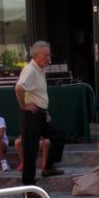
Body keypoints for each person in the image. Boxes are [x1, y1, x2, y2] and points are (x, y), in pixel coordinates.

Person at [14, 40, 65, 186]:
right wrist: (24, 106)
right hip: (31, 115)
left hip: (41, 113)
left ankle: (48, 167)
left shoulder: (40, 69)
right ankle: (28, 185)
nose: (49, 59)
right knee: (30, 149)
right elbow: (19, 88)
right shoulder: (30, 70)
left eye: (50, 55)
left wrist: (46, 111)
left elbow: (39, 93)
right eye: (45, 55)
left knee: (58, 135)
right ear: (35, 55)